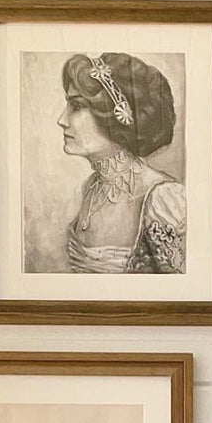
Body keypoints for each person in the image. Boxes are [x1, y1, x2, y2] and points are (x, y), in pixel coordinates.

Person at [57, 53, 185, 274]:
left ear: (115, 116)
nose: (61, 120)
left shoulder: (162, 198)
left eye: (76, 106)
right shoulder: (91, 187)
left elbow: (184, 289)